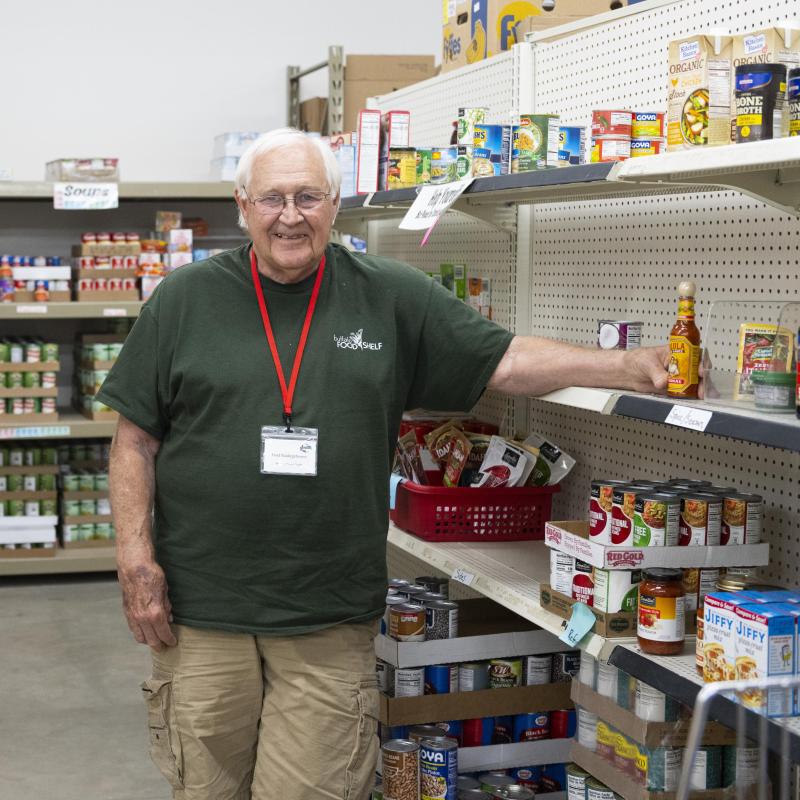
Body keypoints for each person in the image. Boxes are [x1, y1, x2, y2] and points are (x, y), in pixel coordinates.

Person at [100, 127, 668, 800]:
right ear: (242, 205)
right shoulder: (183, 300)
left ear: (336, 204)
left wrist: (622, 365)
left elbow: (506, 360)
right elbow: (134, 440)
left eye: (309, 196)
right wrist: (137, 562)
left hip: (329, 613)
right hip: (200, 613)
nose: (290, 215)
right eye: (273, 198)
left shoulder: (391, 294)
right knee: (205, 789)